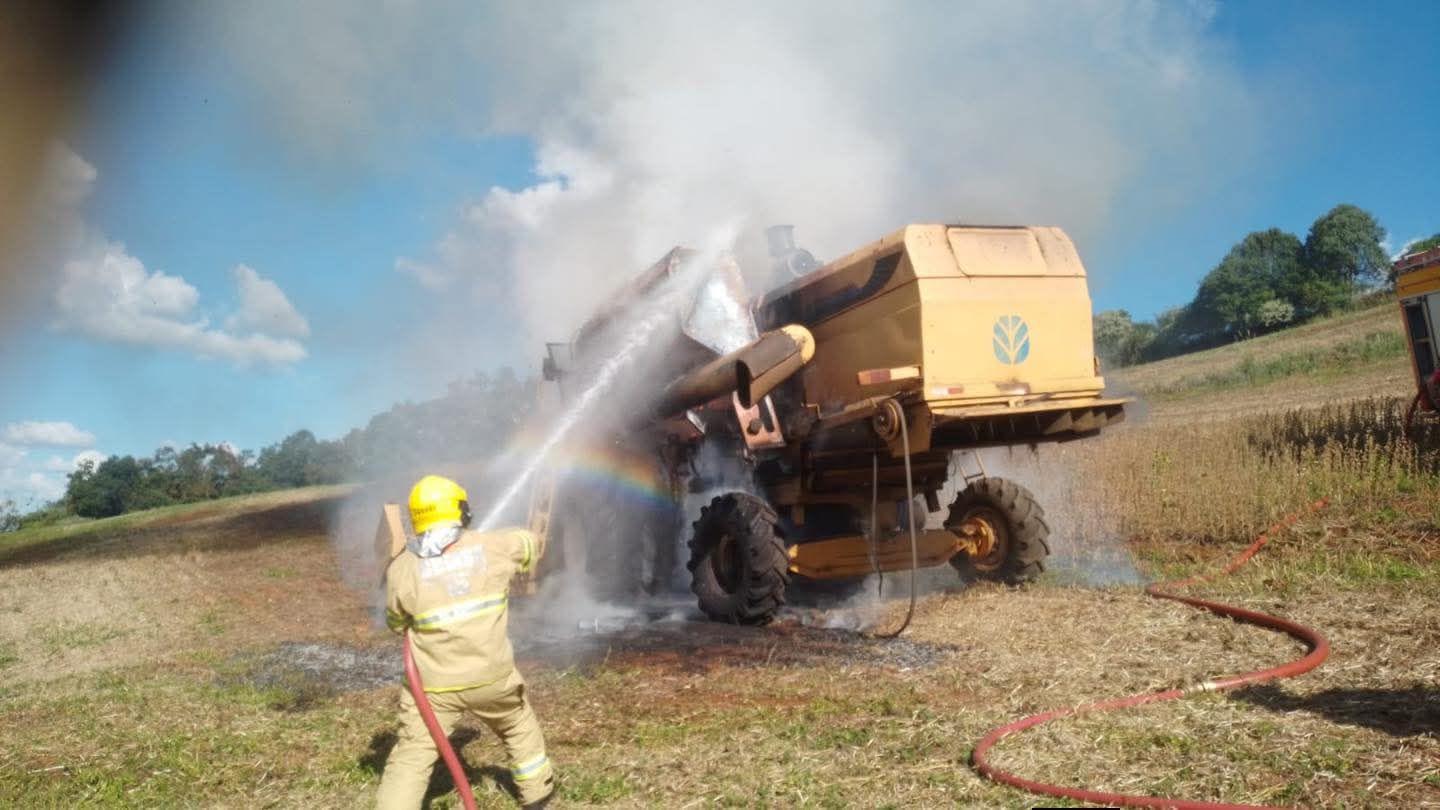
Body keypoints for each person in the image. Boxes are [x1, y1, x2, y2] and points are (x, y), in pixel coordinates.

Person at [376, 474, 555, 809]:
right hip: (493, 677)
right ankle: (537, 794)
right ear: (461, 510)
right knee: (518, 726)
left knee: (412, 755)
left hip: (434, 688)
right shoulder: (493, 546)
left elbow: (396, 623)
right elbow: (531, 545)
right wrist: (501, 536)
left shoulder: (402, 568)